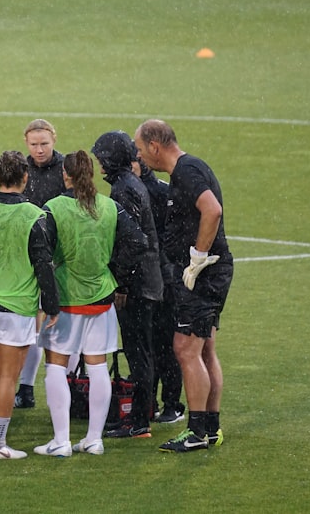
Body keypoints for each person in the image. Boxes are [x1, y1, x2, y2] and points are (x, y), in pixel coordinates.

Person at [33, 151, 148, 458]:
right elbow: (138, 241)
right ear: (91, 175)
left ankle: (61, 440)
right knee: (97, 366)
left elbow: (41, 250)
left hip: (65, 299)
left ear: (65, 175)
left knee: (56, 366)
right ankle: (94, 439)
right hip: (101, 296)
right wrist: (115, 272)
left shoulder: (54, 208)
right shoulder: (110, 206)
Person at [134, 119, 233, 453]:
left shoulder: (187, 171)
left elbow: (212, 210)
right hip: (209, 274)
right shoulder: (188, 170)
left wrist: (198, 257)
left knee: (185, 349)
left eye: (140, 148)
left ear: (154, 146)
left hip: (203, 275)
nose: (139, 154)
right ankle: (210, 428)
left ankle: (196, 432)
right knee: (204, 349)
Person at [0, 150, 60, 460]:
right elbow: (43, 263)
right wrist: (51, 303)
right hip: (16, 304)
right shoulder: (34, 215)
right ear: (25, 177)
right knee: (8, 376)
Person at [91, 130, 164, 440]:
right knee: (141, 352)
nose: (99, 166)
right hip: (146, 281)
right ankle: (140, 417)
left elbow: (135, 242)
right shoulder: (129, 185)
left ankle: (138, 422)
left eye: (101, 160)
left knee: (138, 353)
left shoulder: (124, 189)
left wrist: (120, 284)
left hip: (138, 285)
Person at [16, 118, 67, 409]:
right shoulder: (22, 170)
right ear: (27, 142)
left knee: (54, 324)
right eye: (34, 144)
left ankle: (63, 383)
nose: (39, 149)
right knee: (34, 322)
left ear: (54, 140)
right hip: (29, 255)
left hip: (58, 258)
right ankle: (26, 387)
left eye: (44, 144)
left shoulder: (64, 170)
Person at [133, 155, 185, 424]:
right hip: (167, 276)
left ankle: (157, 403)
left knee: (152, 343)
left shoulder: (137, 191)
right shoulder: (163, 190)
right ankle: (170, 404)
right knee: (165, 344)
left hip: (153, 278)